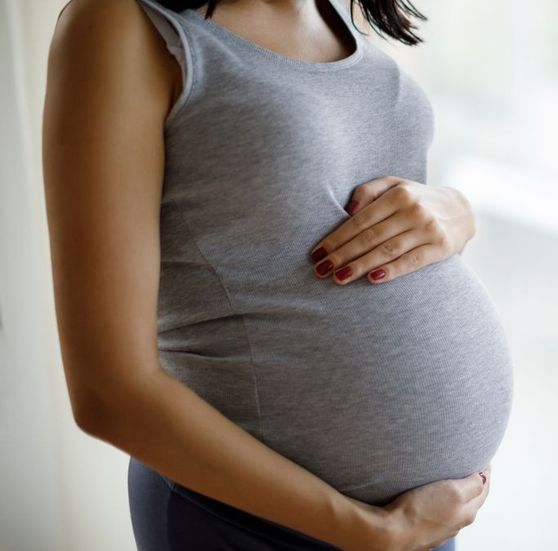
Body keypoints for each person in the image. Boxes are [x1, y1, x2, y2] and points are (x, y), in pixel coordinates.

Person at [41, 0, 515, 549]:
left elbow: (344, 216)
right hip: (254, 524)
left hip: (419, 524)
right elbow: (110, 392)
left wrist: (456, 212)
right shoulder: (120, 23)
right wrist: (369, 529)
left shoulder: (333, 11)